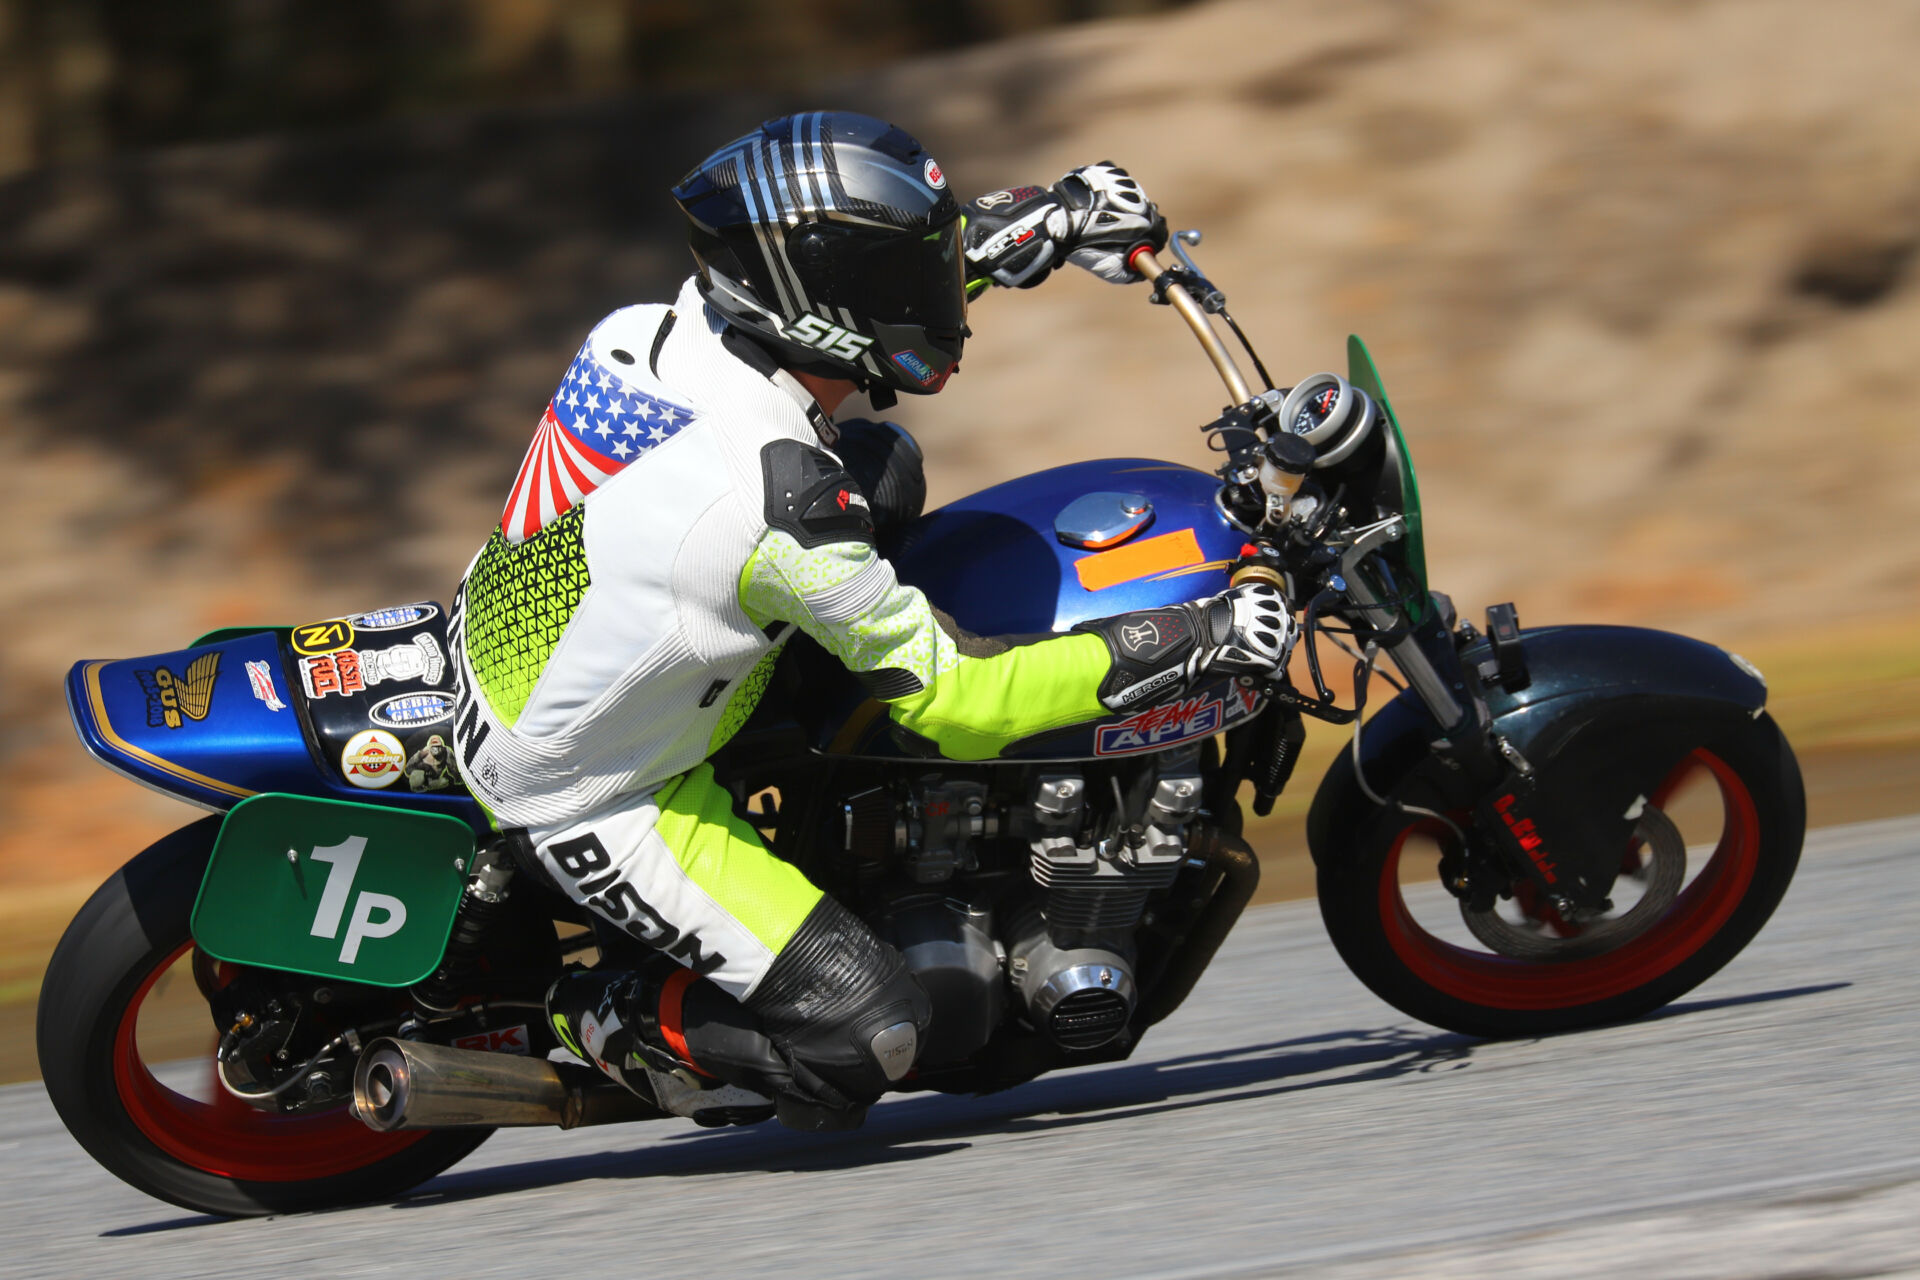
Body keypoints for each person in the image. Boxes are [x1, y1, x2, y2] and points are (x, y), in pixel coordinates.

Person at [446, 112, 1295, 1129]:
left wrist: (1046, 223)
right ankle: (588, 1013)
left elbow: (847, 312)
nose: (933, 290)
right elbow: (963, 699)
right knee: (868, 1034)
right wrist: (1194, 637)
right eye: (911, 274)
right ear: (829, 304)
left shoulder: (660, 329)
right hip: (602, 788)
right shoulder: (781, 505)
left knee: (883, 466)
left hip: (568, 634)